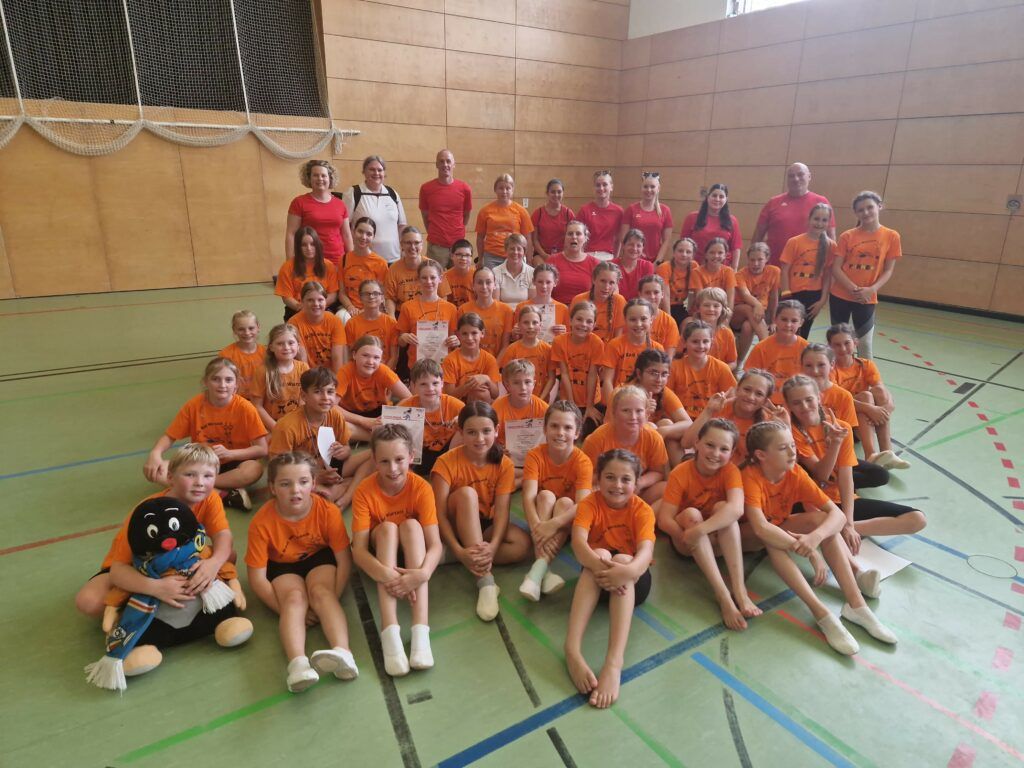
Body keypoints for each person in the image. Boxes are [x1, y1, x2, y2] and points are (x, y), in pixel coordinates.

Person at [741, 421, 898, 655]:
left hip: (775, 528)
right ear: (761, 455)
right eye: (783, 448)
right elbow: (761, 528)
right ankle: (821, 613)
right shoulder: (749, 477)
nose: (792, 452)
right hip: (741, 538)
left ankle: (857, 605)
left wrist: (815, 537)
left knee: (821, 522)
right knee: (772, 540)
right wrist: (811, 552)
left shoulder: (795, 472)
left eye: (792, 445)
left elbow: (836, 515)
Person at [75, 443, 235, 621]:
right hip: (138, 567)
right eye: (190, 475)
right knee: (89, 602)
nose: (200, 482)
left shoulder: (210, 498)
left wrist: (214, 563)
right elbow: (118, 570)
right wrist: (155, 587)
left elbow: (223, 535)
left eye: (208, 476)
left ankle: (171, 598)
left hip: (178, 562)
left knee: (227, 555)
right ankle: (142, 609)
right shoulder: (147, 511)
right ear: (170, 477)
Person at [245, 452, 358, 692]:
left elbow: (344, 561)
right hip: (282, 564)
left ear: (314, 483)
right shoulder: (261, 523)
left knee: (321, 593)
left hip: (319, 556)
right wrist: (284, 610)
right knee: (294, 600)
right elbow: (257, 579)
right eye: (285, 484)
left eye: (303, 482)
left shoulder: (327, 511)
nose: (295, 490)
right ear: (272, 487)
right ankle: (298, 664)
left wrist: (331, 599)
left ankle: (344, 653)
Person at [782, 376, 926, 565]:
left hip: (839, 500)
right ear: (788, 406)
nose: (804, 406)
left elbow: (846, 477)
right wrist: (835, 445)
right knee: (821, 518)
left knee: (917, 519)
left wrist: (848, 524)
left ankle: (842, 529)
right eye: (796, 403)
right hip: (815, 504)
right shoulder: (791, 433)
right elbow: (821, 475)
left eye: (809, 399)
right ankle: (833, 529)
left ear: (819, 397)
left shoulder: (842, 427)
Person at [565, 448, 655, 709]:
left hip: (632, 585)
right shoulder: (589, 504)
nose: (617, 485)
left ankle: (614, 662)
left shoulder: (642, 510)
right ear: (599, 479)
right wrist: (602, 568)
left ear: (636, 483)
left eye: (626, 479)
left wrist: (624, 572)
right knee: (600, 554)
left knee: (624, 559)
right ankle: (572, 649)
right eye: (610, 477)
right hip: (597, 579)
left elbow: (645, 553)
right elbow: (579, 544)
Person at [351, 425, 442, 676]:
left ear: (411, 456)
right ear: (374, 460)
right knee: (388, 528)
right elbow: (358, 551)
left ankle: (420, 630)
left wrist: (421, 574)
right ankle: (389, 629)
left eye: (399, 460)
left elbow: (435, 544)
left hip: (414, 552)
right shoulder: (364, 491)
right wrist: (388, 575)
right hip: (383, 553)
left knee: (412, 526)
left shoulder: (421, 487)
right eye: (384, 461)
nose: (392, 469)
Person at [431, 402, 531, 621]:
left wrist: (492, 547)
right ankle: (485, 581)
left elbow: (502, 512)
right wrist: (458, 549)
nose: (480, 439)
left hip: (483, 523)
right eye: (471, 432)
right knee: (467, 495)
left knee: (521, 546)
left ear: (496, 430)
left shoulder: (504, 464)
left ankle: (461, 556)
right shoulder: (445, 463)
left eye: (486, 431)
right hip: (451, 526)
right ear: (460, 432)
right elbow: (438, 515)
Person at [657, 419, 759, 630]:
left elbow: (736, 509)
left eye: (724, 449)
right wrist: (689, 536)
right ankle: (724, 597)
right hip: (686, 541)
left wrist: (701, 531)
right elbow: (665, 519)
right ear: (697, 443)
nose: (715, 453)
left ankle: (740, 591)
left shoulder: (730, 471)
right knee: (692, 514)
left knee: (724, 508)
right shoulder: (680, 473)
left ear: (732, 453)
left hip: (710, 536)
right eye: (710, 445)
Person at [143, 357, 267, 509]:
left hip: (235, 463)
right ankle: (224, 495)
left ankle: (199, 485)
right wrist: (155, 453)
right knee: (158, 470)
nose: (222, 385)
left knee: (254, 469)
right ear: (205, 382)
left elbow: (262, 449)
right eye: (216, 379)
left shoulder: (245, 408)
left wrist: (230, 454)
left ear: (236, 384)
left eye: (228, 380)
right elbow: (169, 436)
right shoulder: (194, 405)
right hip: (201, 462)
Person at [267, 367, 372, 509]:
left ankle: (346, 497)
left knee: (375, 455)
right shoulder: (286, 426)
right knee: (314, 497)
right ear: (304, 396)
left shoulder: (335, 415)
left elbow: (346, 447)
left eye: (330, 392)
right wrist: (316, 477)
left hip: (330, 467)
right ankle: (344, 487)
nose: (325, 397)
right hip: (300, 475)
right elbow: (278, 468)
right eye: (317, 392)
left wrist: (344, 451)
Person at [519, 402, 592, 601]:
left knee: (566, 502)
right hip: (540, 519)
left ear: (577, 433)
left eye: (567, 427)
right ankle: (545, 573)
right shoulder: (535, 455)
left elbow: (583, 504)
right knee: (545, 496)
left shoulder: (582, 461)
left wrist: (553, 525)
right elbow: (528, 497)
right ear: (545, 429)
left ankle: (537, 572)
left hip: (565, 523)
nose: (560, 433)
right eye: (554, 426)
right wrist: (537, 527)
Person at [829, 191, 901, 359]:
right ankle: (837, 373)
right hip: (840, 296)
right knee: (838, 341)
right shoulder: (847, 236)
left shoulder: (892, 236)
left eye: (870, 207)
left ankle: (866, 376)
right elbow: (836, 268)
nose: (866, 212)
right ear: (856, 213)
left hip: (867, 298)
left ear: (879, 207)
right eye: (861, 210)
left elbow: (888, 270)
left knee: (865, 343)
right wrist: (854, 289)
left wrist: (871, 290)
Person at [827, 323, 908, 470]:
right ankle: (870, 454)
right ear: (830, 347)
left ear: (855, 343)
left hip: (864, 423)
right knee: (865, 397)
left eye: (847, 343)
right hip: (842, 424)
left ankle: (887, 452)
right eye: (837, 345)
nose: (843, 348)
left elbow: (881, 390)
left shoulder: (865, 365)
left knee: (879, 392)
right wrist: (870, 409)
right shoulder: (831, 369)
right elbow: (842, 401)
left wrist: (886, 408)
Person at [582, 385, 669, 506]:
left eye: (639, 411)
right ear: (614, 413)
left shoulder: (653, 438)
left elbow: (658, 472)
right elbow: (585, 477)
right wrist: (613, 483)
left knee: (666, 488)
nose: (633, 417)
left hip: (637, 491)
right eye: (626, 411)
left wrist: (639, 483)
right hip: (606, 491)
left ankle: (642, 515)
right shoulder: (596, 439)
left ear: (646, 414)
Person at [684, 368, 785, 465]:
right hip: (713, 465)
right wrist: (708, 411)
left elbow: (779, 462)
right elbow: (686, 443)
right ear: (737, 389)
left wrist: (785, 426)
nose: (750, 397)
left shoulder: (767, 422)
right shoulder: (719, 407)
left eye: (759, 394)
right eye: (747, 389)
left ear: (765, 400)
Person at [751, 163, 835, 268]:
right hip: (774, 268)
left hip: (809, 270)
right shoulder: (773, 203)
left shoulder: (821, 202)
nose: (796, 179)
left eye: (800, 174)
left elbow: (831, 238)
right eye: (791, 176)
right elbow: (757, 237)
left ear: (809, 176)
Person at [335, 336, 411, 442]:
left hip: (379, 415)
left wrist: (390, 416)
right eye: (365, 355)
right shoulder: (345, 371)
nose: (370, 361)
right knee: (334, 425)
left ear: (381, 359)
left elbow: (409, 398)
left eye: (376, 357)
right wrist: (363, 421)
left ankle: (374, 435)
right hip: (352, 416)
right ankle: (380, 436)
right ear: (354, 355)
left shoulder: (384, 371)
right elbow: (331, 406)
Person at [399, 359, 464, 477]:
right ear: (413, 386)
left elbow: (476, 421)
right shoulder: (405, 407)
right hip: (418, 455)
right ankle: (412, 477)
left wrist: (463, 420)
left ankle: (449, 470)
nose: (430, 389)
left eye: (435, 383)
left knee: (465, 425)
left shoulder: (455, 405)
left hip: (447, 453)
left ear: (442, 383)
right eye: (423, 384)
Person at [780, 203, 835, 339]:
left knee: (803, 334)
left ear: (828, 223)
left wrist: (822, 300)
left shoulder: (831, 245)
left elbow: (827, 275)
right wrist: (786, 296)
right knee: (786, 331)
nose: (819, 223)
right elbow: (785, 270)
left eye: (824, 220)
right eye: (816, 219)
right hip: (792, 294)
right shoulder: (794, 242)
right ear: (809, 219)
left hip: (814, 296)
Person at [627, 348, 691, 466]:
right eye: (653, 373)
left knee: (666, 424)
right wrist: (644, 414)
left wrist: (664, 431)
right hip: (627, 446)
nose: (659, 380)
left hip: (654, 443)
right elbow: (615, 428)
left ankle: (679, 473)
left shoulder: (663, 392)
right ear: (639, 373)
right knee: (651, 427)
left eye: (664, 374)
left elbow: (688, 423)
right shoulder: (624, 394)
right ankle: (664, 473)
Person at [286, 159, 353, 267]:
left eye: (323, 175)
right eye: (315, 175)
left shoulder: (340, 204)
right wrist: (289, 263)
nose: (320, 179)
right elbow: (291, 234)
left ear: (330, 178)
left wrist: (352, 261)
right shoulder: (299, 202)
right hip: (310, 261)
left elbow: (346, 235)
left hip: (337, 261)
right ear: (309, 178)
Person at [342, 155, 407, 264]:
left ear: (384, 173)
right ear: (364, 172)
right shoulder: (353, 193)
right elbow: (345, 227)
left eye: (380, 170)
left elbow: (402, 225)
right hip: (365, 260)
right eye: (371, 169)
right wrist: (351, 252)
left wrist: (403, 250)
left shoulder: (392, 193)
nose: (376, 173)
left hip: (393, 259)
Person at [492, 359, 549, 482]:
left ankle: (519, 480)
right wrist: (498, 449)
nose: (523, 388)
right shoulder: (497, 407)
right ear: (507, 385)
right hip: (507, 459)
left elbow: (550, 438)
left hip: (535, 459)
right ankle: (529, 477)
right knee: (492, 464)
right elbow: (490, 438)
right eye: (516, 383)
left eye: (527, 382)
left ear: (534, 384)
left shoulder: (543, 409)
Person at [396, 259, 459, 369]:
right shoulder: (407, 307)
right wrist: (404, 337)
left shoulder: (451, 308)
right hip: (417, 367)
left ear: (440, 279)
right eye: (424, 278)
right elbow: (401, 342)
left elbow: (454, 341)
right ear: (418, 280)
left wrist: (456, 341)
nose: (428, 281)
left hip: (443, 367)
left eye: (433, 277)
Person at [552, 301, 604, 433]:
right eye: (579, 319)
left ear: (594, 325)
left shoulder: (597, 343)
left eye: (589, 321)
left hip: (592, 400)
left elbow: (593, 374)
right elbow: (564, 374)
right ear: (570, 320)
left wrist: (589, 406)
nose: (583, 324)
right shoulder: (559, 342)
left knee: (589, 432)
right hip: (568, 398)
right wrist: (571, 404)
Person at [744, 299, 810, 403]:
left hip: (798, 401)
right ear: (775, 319)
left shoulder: (807, 349)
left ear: (801, 323)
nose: (788, 325)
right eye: (784, 319)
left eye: (794, 321)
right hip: (768, 401)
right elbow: (750, 378)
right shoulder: (761, 348)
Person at [669, 320, 736, 420]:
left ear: (711, 342)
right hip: (682, 421)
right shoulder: (674, 367)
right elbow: (666, 400)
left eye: (705, 341)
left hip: (711, 421)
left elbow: (732, 398)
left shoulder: (721, 368)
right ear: (684, 342)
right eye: (695, 342)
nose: (701, 346)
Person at [600, 298, 663, 404]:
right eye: (633, 319)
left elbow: (659, 385)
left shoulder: (657, 349)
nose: (638, 324)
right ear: (625, 320)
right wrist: (612, 407)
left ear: (651, 319)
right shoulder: (615, 345)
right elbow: (607, 381)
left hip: (645, 404)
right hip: (619, 402)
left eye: (643, 319)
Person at [419, 149, 473, 268]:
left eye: (448, 161)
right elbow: (425, 215)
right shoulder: (426, 189)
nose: (445, 164)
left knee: (458, 278)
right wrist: (436, 233)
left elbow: (466, 214)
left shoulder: (465, 189)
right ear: (436, 164)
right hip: (436, 246)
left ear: (454, 164)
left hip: (458, 246)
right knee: (434, 277)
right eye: (441, 161)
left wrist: (456, 231)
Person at [385, 226, 452, 318]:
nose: (412, 247)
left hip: (430, 314)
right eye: (408, 243)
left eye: (416, 243)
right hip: (403, 315)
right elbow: (390, 298)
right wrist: (392, 320)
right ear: (401, 244)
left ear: (422, 244)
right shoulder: (394, 269)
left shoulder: (434, 266)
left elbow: (443, 295)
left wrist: (438, 317)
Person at [252, 324, 309, 430]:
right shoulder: (263, 371)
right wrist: (277, 428)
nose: (286, 347)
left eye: (291, 343)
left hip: (296, 424)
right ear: (271, 347)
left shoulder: (303, 368)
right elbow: (257, 406)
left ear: (298, 345)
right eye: (280, 344)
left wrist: (296, 426)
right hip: (270, 426)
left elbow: (304, 401)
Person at [275, 228, 339, 321]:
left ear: (317, 245)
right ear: (298, 247)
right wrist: (302, 307)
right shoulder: (287, 267)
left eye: (312, 244)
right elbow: (286, 297)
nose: (309, 248)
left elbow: (333, 295)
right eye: (304, 245)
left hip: (323, 307)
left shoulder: (328, 266)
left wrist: (318, 306)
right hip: (297, 309)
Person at [476, 174, 535, 269]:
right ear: (495, 189)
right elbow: (480, 237)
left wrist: (529, 260)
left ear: (512, 190)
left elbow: (528, 238)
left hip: (515, 254)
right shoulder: (485, 211)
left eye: (508, 188)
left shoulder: (521, 211)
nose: (504, 191)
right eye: (501, 188)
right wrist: (480, 259)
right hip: (492, 256)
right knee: (492, 279)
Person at [733, 242, 779, 364]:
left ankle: (739, 363)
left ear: (767, 258)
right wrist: (758, 305)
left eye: (760, 259)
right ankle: (769, 348)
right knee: (749, 308)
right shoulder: (740, 275)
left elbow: (774, 298)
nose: (756, 263)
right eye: (752, 260)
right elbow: (745, 295)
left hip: (756, 317)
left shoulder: (774, 272)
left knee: (748, 327)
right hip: (738, 314)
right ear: (748, 259)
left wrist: (773, 321)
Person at [336, 217, 389, 320]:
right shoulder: (344, 259)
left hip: (373, 308)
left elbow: (383, 295)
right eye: (360, 231)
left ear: (373, 237)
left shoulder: (380, 263)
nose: (364, 237)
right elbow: (342, 293)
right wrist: (350, 307)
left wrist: (365, 310)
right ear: (353, 232)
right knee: (341, 317)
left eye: (369, 234)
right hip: (350, 309)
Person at [497, 307, 555, 401]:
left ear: (540, 325)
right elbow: (505, 377)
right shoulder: (512, 349)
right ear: (519, 325)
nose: (530, 326)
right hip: (517, 401)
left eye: (535, 322)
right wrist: (516, 395)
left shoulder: (548, 349)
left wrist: (540, 399)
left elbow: (551, 379)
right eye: (526, 322)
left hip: (541, 400)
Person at [442, 313, 500, 403]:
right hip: (458, 405)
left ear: (482, 333)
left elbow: (495, 394)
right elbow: (449, 396)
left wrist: (486, 379)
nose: (469, 338)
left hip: (483, 404)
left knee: (482, 393)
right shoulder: (450, 360)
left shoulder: (489, 359)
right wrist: (470, 385)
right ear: (458, 335)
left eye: (474, 333)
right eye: (464, 334)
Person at [457, 267, 513, 358]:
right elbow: (461, 343)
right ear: (473, 286)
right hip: (470, 362)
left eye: (488, 282)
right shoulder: (463, 309)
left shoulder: (506, 310)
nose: (484, 287)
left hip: (497, 362)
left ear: (494, 285)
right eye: (480, 282)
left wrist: (494, 364)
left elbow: (505, 346)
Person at [681, 183, 742, 266]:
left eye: (721, 197)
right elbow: (683, 244)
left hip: (722, 268)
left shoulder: (732, 221)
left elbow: (736, 248)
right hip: (695, 267)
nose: (717, 199)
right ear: (707, 197)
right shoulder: (692, 217)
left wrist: (734, 269)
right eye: (714, 195)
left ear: (726, 199)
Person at [292, 281, 347, 372]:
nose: (316, 304)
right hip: (308, 373)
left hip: (330, 374)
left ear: (326, 301)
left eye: (320, 300)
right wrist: (308, 379)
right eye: (310, 300)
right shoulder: (294, 323)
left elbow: (337, 357)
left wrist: (335, 379)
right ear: (302, 302)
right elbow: (302, 359)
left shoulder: (335, 321)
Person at [344, 279, 399, 370]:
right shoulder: (351, 324)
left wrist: (383, 375)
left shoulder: (391, 323)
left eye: (375, 293)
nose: (371, 296)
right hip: (360, 371)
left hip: (385, 371)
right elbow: (350, 356)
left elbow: (394, 357)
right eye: (366, 294)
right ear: (360, 298)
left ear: (382, 298)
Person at [621, 171, 673, 262]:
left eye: (652, 187)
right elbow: (623, 238)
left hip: (655, 261)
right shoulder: (631, 209)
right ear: (641, 188)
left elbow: (666, 241)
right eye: (645, 186)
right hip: (634, 259)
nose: (649, 190)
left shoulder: (665, 210)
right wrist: (634, 255)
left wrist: (657, 262)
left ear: (658, 188)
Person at [513, 263, 569, 343]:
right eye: (540, 282)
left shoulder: (563, 309)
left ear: (555, 282)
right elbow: (516, 339)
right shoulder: (521, 307)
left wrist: (564, 333)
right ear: (533, 281)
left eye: (548, 282)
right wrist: (515, 333)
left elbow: (569, 339)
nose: (544, 286)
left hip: (553, 349)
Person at [548, 221, 601, 304]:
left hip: (585, 309)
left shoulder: (595, 263)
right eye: (570, 234)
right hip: (557, 308)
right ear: (565, 238)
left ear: (585, 238)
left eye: (578, 234)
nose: (574, 237)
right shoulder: (552, 260)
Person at [576, 170, 623, 260]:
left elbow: (619, 239)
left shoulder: (618, 211)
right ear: (594, 188)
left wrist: (615, 260)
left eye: (605, 184)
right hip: (588, 256)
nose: (601, 188)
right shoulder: (584, 210)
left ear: (611, 187)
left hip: (608, 257)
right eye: (598, 185)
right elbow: (578, 238)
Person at [573, 262, 625, 343]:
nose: (606, 287)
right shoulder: (579, 300)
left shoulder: (619, 301)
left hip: (609, 348)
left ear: (616, 284)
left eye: (611, 283)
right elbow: (572, 333)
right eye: (603, 281)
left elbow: (618, 338)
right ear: (594, 279)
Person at [219, 310, 265, 400]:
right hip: (238, 400)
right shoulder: (226, 355)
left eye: (251, 328)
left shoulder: (266, 353)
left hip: (262, 400)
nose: (247, 333)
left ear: (258, 327)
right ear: (234, 330)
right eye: (241, 329)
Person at [691, 287, 738, 372]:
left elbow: (733, 362)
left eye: (716, 306)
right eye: (706, 305)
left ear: (723, 309)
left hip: (718, 373)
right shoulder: (690, 330)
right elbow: (677, 355)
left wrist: (719, 371)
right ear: (698, 308)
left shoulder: (727, 333)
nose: (711, 309)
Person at [531, 179, 575, 262]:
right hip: (541, 255)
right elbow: (534, 240)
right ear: (547, 193)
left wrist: (562, 255)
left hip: (564, 254)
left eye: (559, 192)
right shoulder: (538, 213)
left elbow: (573, 238)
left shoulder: (568, 214)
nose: (556, 194)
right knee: (541, 267)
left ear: (563, 193)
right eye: (553, 192)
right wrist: (545, 255)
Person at [656, 237, 697, 325]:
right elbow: (665, 296)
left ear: (693, 255)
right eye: (680, 251)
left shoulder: (694, 266)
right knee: (668, 324)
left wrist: (692, 312)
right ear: (674, 253)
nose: (684, 254)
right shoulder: (664, 268)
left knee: (690, 324)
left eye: (688, 252)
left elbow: (695, 292)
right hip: (662, 306)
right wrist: (669, 319)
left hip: (680, 306)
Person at [638, 275, 679, 358]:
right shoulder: (631, 318)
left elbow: (668, 358)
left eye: (656, 292)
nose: (652, 296)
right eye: (647, 293)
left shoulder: (669, 322)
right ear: (640, 294)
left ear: (662, 294)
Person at [692, 238, 737, 310]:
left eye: (720, 253)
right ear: (706, 255)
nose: (716, 256)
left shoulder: (729, 271)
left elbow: (730, 301)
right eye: (712, 252)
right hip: (702, 311)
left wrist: (726, 316)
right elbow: (700, 300)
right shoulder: (697, 272)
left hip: (722, 312)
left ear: (725, 255)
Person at [492, 233, 535, 306]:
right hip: (503, 312)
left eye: (519, 249)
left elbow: (532, 304)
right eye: (512, 249)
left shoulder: (532, 272)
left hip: (525, 312)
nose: (515, 252)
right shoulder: (495, 272)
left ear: (524, 252)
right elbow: (496, 304)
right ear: (506, 250)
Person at [613, 229, 655, 301]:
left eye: (638, 246)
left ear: (643, 248)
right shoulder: (611, 265)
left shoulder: (647, 266)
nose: (634, 248)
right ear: (623, 245)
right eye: (631, 244)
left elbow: (647, 294)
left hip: (638, 306)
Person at [444, 239, 476, 309]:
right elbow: (443, 303)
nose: (463, 258)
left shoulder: (477, 276)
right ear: (452, 256)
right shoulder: (444, 277)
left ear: (471, 258)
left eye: (467, 255)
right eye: (459, 254)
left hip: (472, 313)